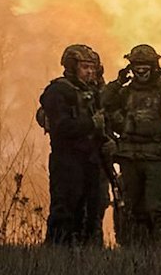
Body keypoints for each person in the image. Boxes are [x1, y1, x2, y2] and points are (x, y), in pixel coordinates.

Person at [102, 44, 161, 245]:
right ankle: (137, 251)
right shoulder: (124, 93)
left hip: (155, 158)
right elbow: (102, 102)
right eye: (137, 66)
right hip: (129, 157)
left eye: (146, 66)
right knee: (133, 209)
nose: (141, 71)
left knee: (158, 208)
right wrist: (118, 82)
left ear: (154, 66)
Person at [37, 44, 109, 245]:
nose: (90, 72)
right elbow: (61, 127)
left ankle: (89, 253)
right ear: (71, 67)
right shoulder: (58, 92)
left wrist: (108, 141)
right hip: (67, 161)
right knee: (65, 211)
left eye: (92, 67)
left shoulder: (93, 93)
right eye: (85, 67)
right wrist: (91, 124)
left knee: (93, 212)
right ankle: (58, 253)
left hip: (91, 160)